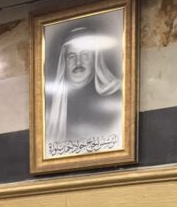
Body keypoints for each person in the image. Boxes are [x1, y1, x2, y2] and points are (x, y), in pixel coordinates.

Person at [46, 23, 122, 152]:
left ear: (95, 58)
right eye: (71, 56)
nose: (78, 62)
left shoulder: (116, 95)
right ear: (64, 61)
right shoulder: (49, 103)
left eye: (85, 54)